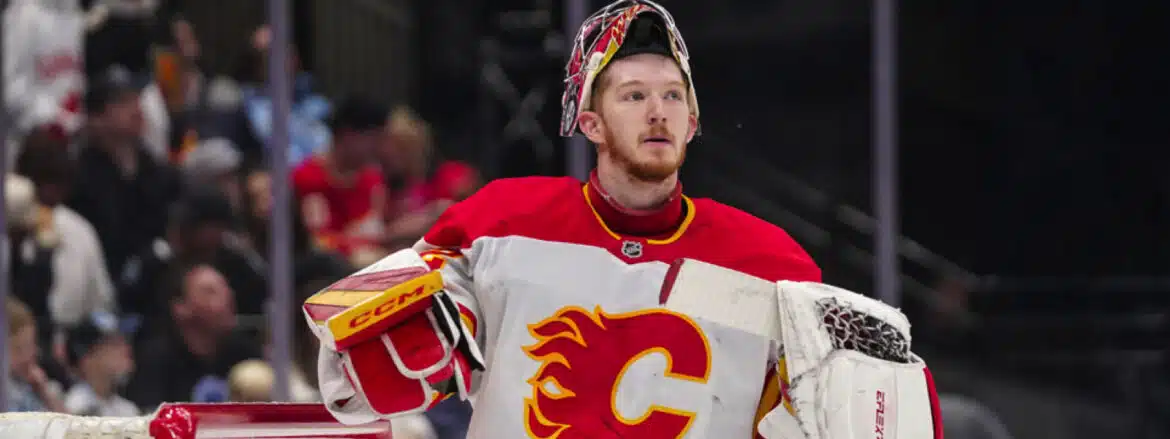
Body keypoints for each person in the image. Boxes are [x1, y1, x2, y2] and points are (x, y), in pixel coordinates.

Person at [303, 1, 940, 438]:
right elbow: (351, 374)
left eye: (672, 96)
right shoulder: (499, 224)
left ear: (693, 122)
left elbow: (859, 412)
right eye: (632, 96)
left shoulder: (769, 264)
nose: (656, 112)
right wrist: (422, 351)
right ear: (590, 123)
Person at [61, 311, 138, 416]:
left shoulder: (127, 409)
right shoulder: (75, 409)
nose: (126, 349)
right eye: (114, 343)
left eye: (124, 341)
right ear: (87, 359)